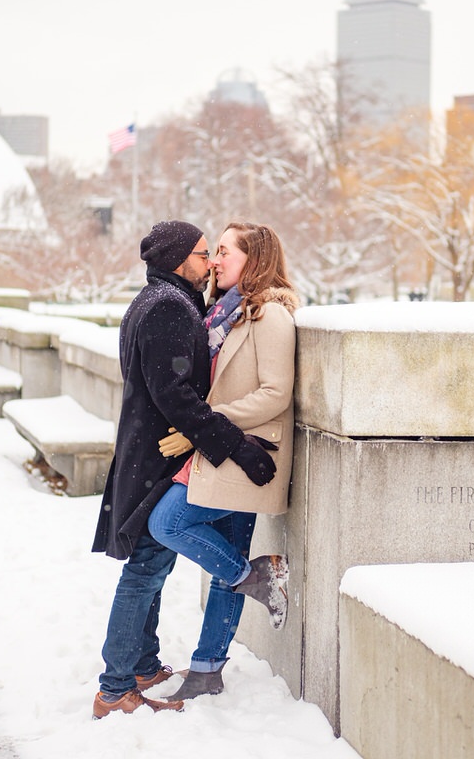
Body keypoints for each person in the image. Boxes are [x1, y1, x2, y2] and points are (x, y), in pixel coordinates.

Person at [91, 220, 278, 718]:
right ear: (178, 261)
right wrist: (232, 443)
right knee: (146, 570)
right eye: (202, 253)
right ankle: (114, 689)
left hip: (147, 452)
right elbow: (175, 395)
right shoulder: (170, 308)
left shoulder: (157, 301)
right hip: (157, 456)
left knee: (152, 564)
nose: (210, 262)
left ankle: (142, 665)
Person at [147, 221, 298, 702]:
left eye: (225, 251)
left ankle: (253, 575)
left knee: (167, 522)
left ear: (254, 261)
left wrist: (209, 421)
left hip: (249, 451)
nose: (214, 261)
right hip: (223, 447)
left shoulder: (270, 316)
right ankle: (207, 669)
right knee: (218, 556)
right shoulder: (221, 314)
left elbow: (276, 394)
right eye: (212, 252)